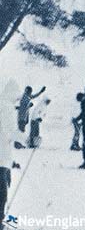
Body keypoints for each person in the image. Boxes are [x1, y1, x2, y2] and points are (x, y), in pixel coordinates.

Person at [1, 80, 24, 226]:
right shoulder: (7, 108)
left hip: (4, 157)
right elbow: (9, 132)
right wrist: (25, 139)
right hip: (2, 158)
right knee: (2, 192)